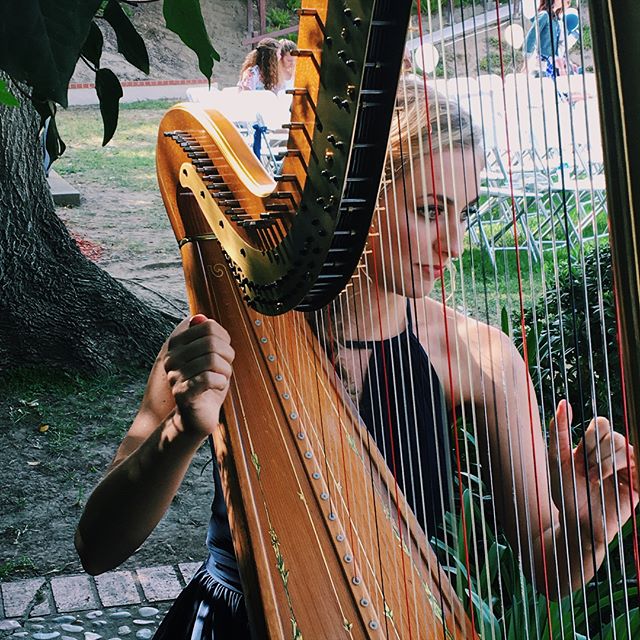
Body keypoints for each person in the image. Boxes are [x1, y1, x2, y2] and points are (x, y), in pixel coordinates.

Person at [75, 81, 637, 636]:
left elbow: (547, 564)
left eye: (464, 213)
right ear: (352, 203)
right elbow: (96, 548)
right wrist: (181, 430)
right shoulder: (220, 339)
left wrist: (586, 532)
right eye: (429, 210)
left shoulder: (484, 361)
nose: (456, 245)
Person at [525, 0, 580, 77]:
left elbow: (557, 47)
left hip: (550, 63)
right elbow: (531, 36)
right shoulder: (544, 15)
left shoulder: (556, 21)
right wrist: (527, 59)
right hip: (540, 62)